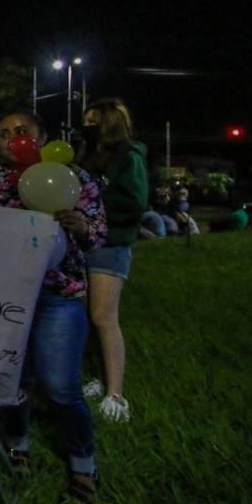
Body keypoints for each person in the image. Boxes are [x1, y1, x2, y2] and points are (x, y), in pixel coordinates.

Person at [0, 110, 107, 504]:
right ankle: (17, 443)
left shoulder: (73, 178)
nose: (12, 139)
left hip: (59, 297)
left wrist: (80, 226)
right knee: (12, 381)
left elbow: (98, 238)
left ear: (41, 136)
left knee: (60, 387)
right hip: (3, 299)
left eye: (22, 131)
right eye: (4, 133)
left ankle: (83, 465)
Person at [76, 99, 149, 423]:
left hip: (111, 244)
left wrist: (93, 204)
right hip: (83, 243)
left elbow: (134, 201)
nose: (87, 125)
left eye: (93, 121)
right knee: (87, 318)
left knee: (104, 317)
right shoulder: (88, 156)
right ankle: (98, 376)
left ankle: (116, 393)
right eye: (85, 120)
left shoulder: (128, 157)